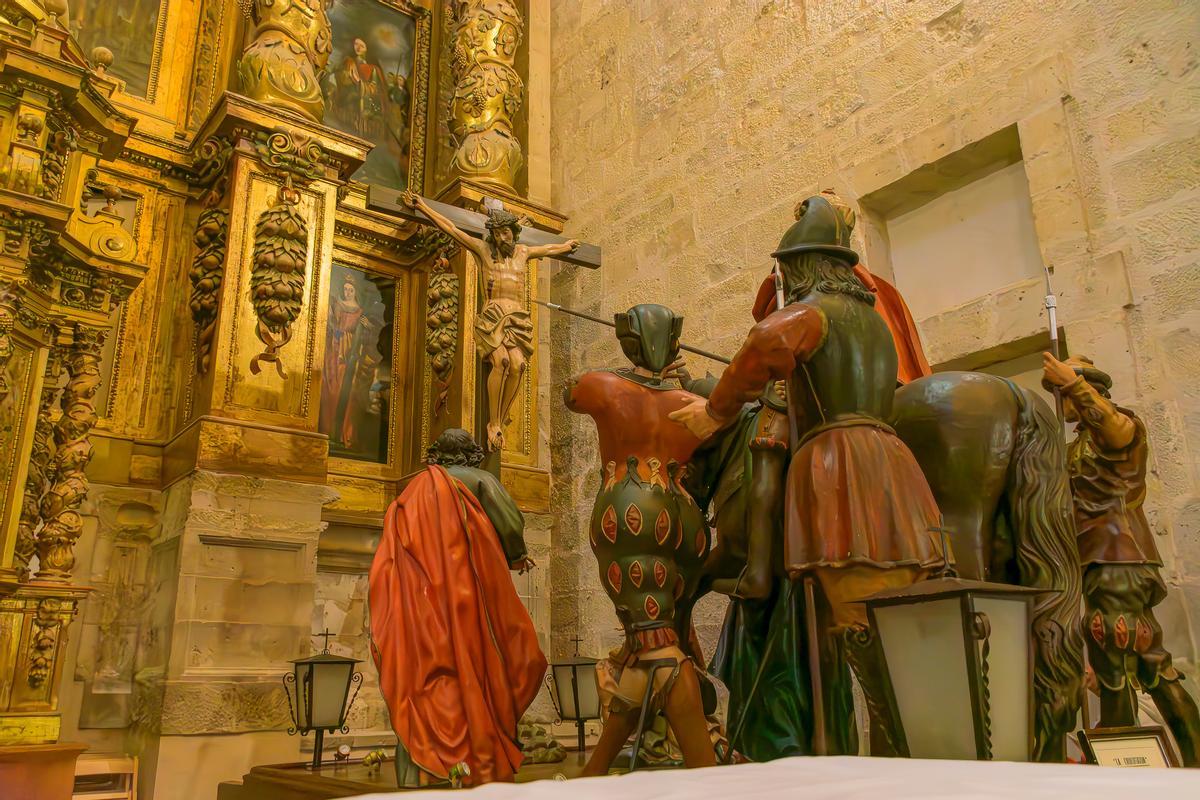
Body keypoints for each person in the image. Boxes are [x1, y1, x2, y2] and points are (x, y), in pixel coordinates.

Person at [670, 194, 944, 752]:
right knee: (892, 621)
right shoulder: (874, 322)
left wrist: (714, 411)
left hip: (837, 460)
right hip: (891, 460)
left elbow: (762, 345)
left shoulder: (808, 313)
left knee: (853, 624)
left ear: (802, 267)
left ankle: (761, 568)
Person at [565, 304, 719, 775]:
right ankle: (595, 773)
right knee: (646, 645)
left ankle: (709, 773)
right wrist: (679, 381)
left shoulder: (605, 386)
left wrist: (631, 372)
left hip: (631, 514)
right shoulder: (691, 401)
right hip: (686, 521)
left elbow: (571, 394)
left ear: (628, 340)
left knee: (658, 649)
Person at [1042, 353, 1200, 766]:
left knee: (1113, 661)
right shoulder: (1077, 444)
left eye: (1065, 394)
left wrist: (1074, 383)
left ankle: (1122, 770)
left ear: (1090, 389)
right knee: (1152, 666)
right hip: (1099, 563)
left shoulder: (1122, 427)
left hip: (1118, 558)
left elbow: (1114, 430)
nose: (1063, 403)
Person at [368, 429, 544, 786]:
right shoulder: (480, 480)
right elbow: (510, 524)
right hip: (469, 599)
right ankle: (479, 760)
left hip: (423, 603)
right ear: (469, 454)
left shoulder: (414, 489)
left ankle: (413, 773)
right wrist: (518, 556)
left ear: (437, 455)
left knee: (418, 681)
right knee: (481, 666)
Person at [402, 190, 578, 450]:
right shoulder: (484, 251)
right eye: (496, 233)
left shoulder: (522, 252)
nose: (500, 237)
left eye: (505, 232)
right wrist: (423, 208)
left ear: (513, 232)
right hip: (493, 314)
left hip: (516, 317)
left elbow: (550, 247)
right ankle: (493, 422)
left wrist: (566, 246)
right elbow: (452, 228)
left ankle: (502, 416)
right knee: (502, 361)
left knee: (518, 365)